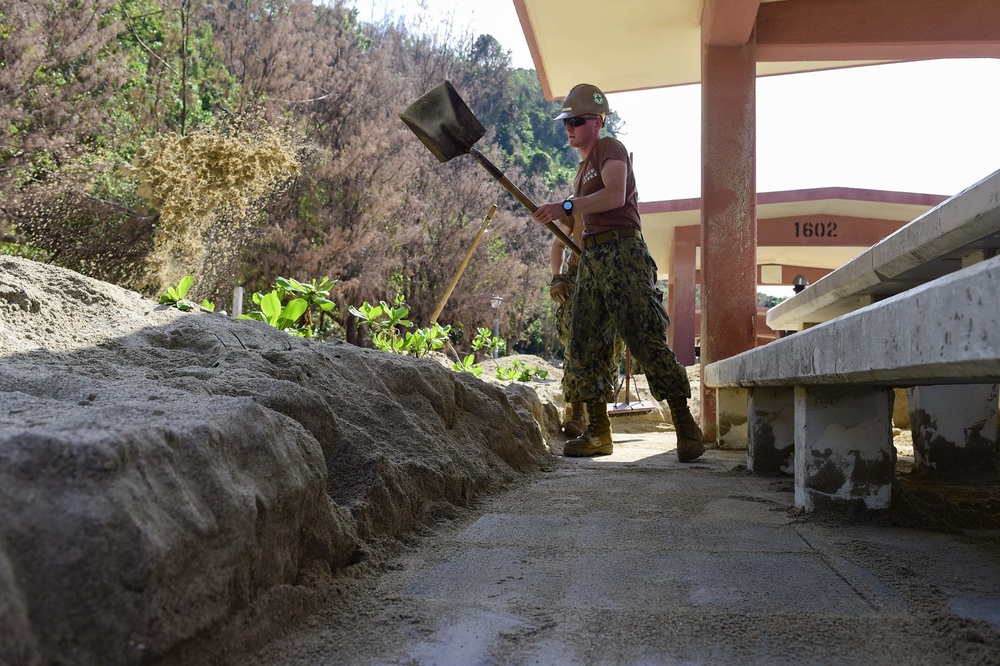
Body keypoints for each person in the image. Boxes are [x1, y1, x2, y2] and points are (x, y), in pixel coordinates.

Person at [531, 83, 705, 462]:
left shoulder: (610, 148)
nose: (569, 128)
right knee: (584, 341)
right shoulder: (580, 170)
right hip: (592, 259)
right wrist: (562, 245)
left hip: (622, 251)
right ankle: (598, 432)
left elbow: (614, 194)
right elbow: (569, 227)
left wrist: (564, 205)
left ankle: (684, 425)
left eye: (577, 121)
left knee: (643, 337)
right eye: (566, 122)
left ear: (598, 121)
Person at [549, 212, 624, 438]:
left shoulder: (618, 199)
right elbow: (559, 244)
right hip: (578, 277)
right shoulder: (574, 204)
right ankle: (577, 413)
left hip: (610, 278)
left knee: (611, 347)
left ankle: (599, 417)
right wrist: (557, 277)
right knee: (576, 345)